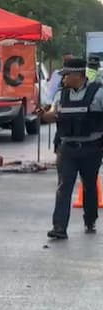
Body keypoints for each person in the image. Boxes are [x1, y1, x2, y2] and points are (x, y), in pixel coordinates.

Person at [39, 58, 103, 240]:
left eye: (66, 75)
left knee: (89, 185)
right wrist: (43, 115)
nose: (63, 78)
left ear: (78, 75)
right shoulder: (61, 95)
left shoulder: (98, 93)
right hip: (67, 149)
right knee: (64, 187)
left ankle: (90, 219)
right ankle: (59, 227)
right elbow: (53, 115)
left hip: (91, 148)